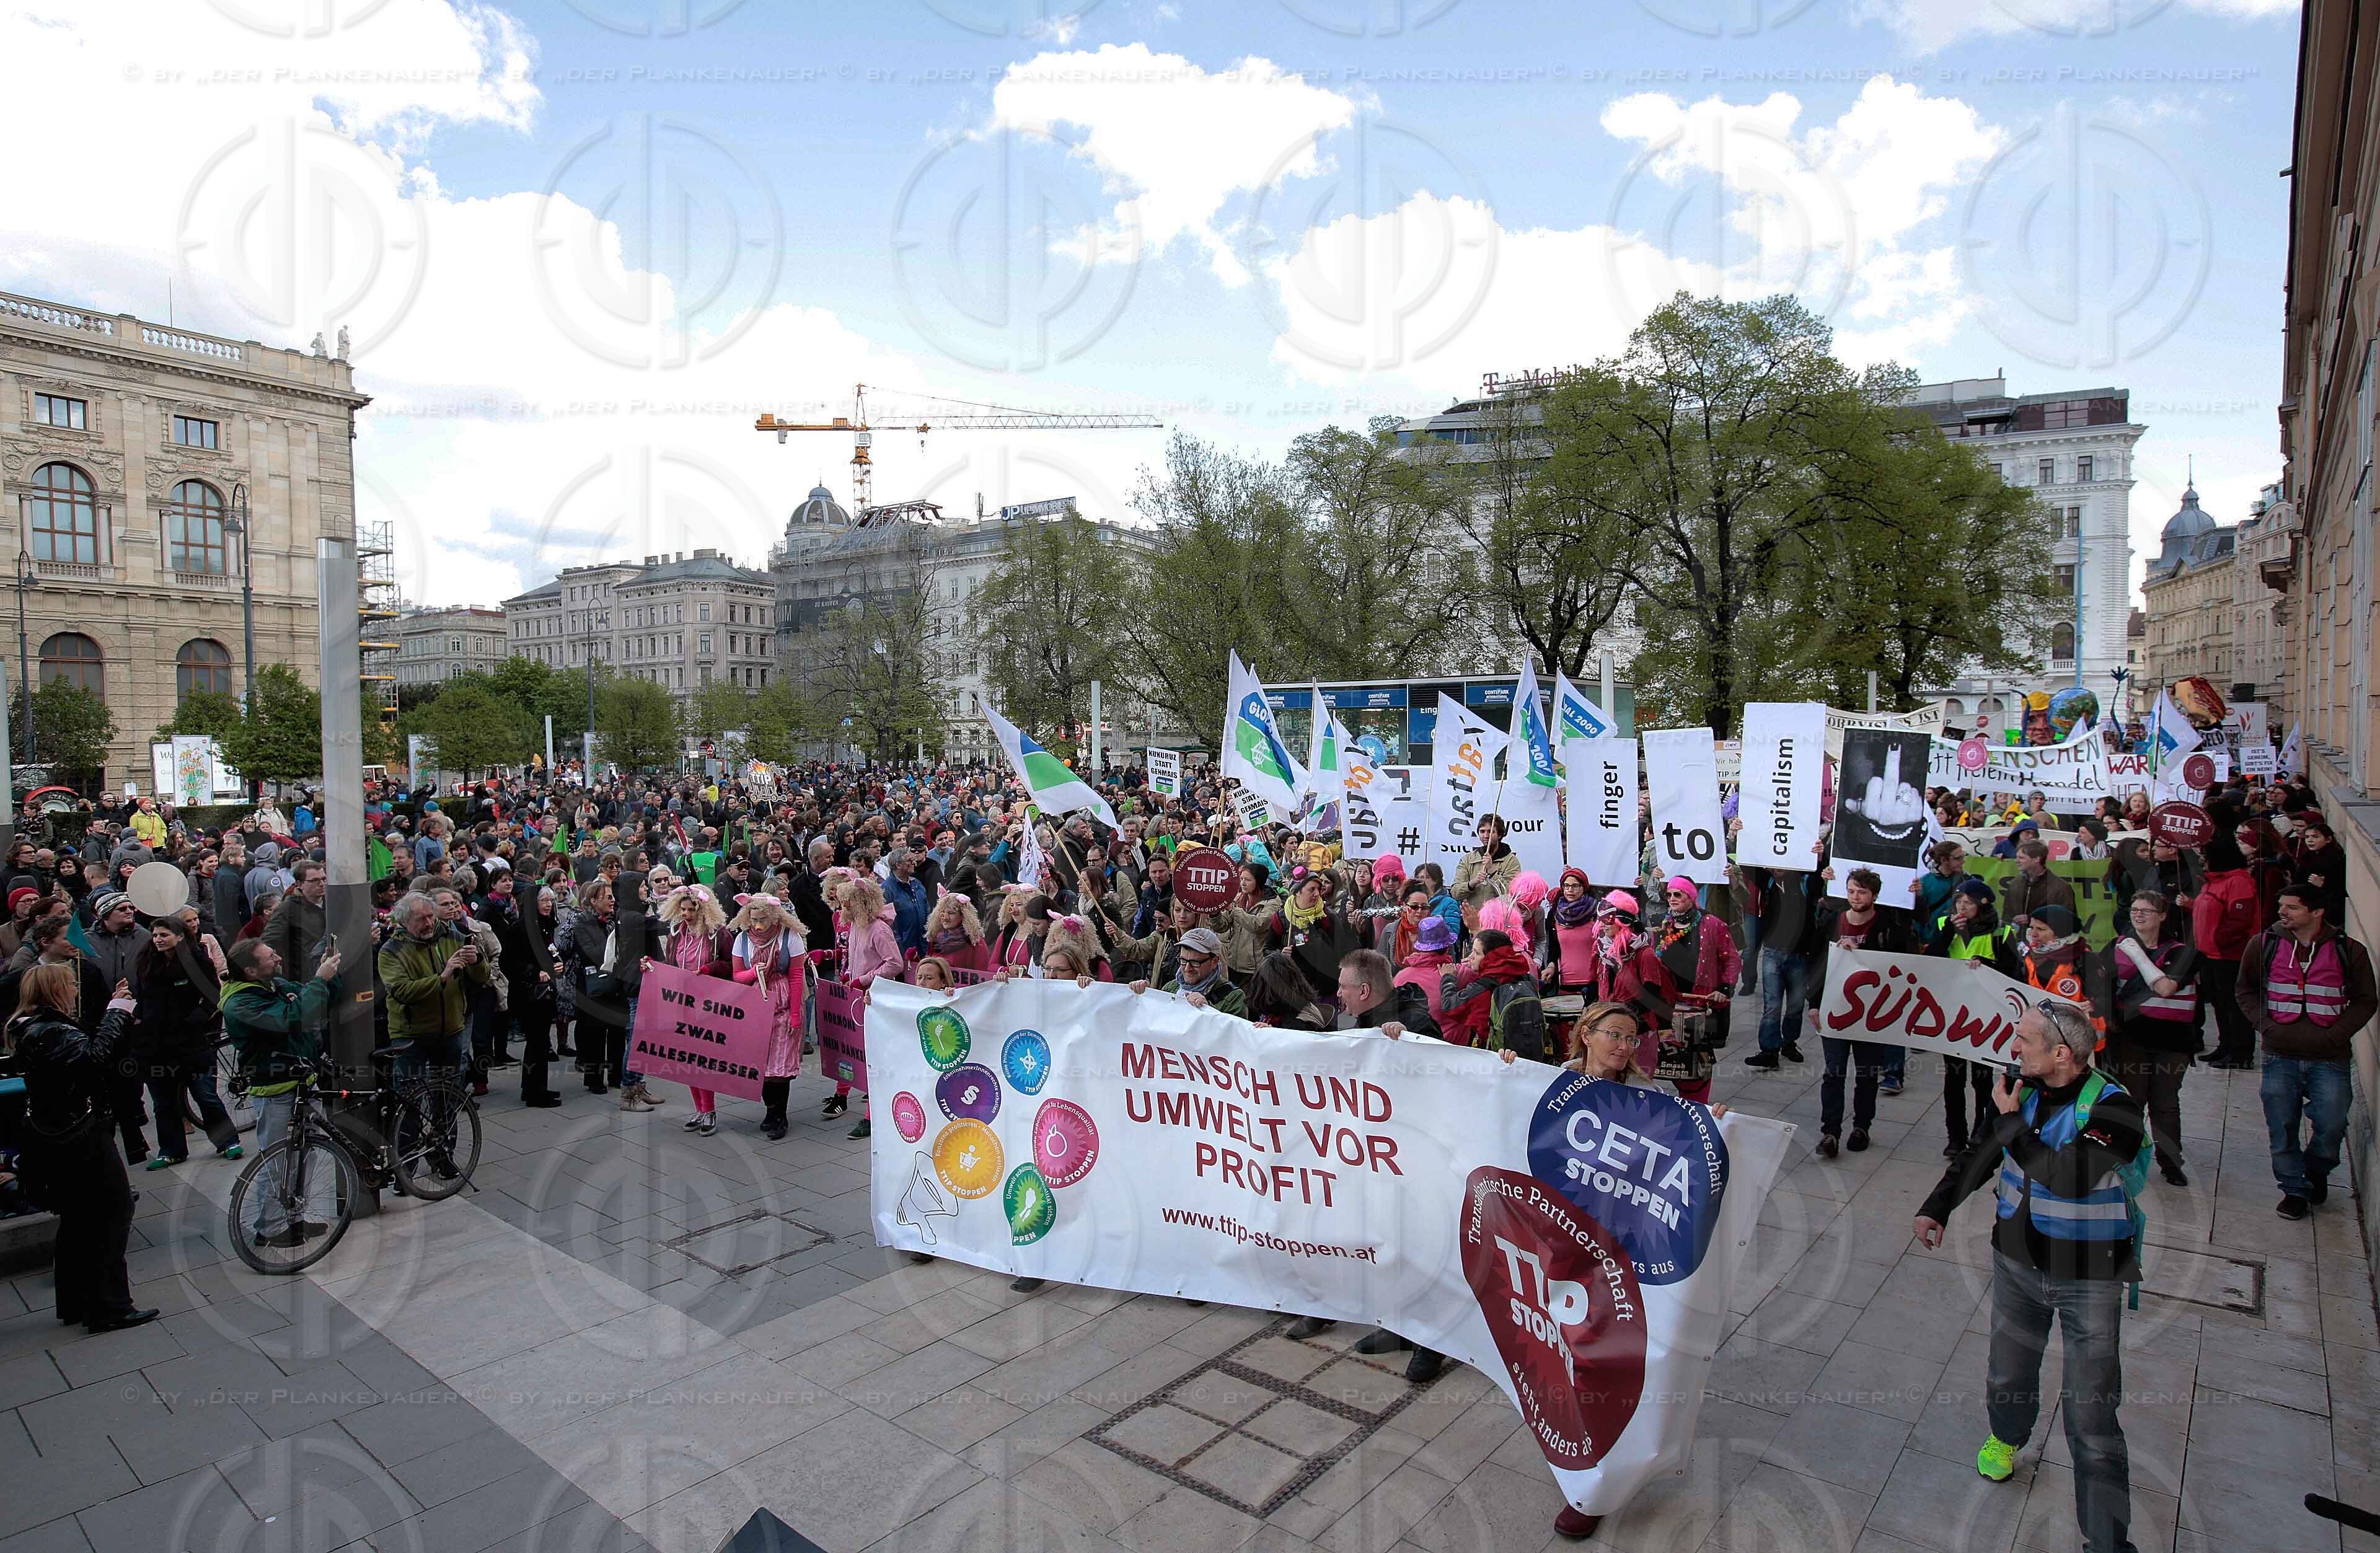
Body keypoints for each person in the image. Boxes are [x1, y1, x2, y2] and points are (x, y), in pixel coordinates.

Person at [1914, 999, 2147, 1553]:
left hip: (2088, 1278)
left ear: (2062, 1053)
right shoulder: (2020, 1094)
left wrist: (2013, 1123)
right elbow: (1980, 1155)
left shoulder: (2116, 1110)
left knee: (2092, 1420)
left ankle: (2108, 1542)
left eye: (2023, 1040)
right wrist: (1937, 1207)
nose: (2012, 1047)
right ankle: (2007, 1439)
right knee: (2007, 1376)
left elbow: (2068, 1178)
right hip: (2017, 1265)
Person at [7, 964, 155, 1331]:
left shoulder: (34, 1027)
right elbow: (94, 1059)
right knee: (111, 1212)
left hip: (57, 1132)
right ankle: (110, 1306)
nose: (75, 989)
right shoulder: (50, 1031)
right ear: (56, 991)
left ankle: (76, 1302)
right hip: (79, 1135)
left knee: (77, 1218)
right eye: (70, 985)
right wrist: (116, 1014)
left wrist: (111, 1011)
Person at [2236, 884, 2376, 1219]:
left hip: (2330, 1058)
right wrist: (2266, 1027)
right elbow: (2245, 990)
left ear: (2316, 912)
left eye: (2293, 907)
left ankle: (2317, 1170)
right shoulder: (2264, 944)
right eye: (2282, 906)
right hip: (2279, 1055)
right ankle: (2294, 1190)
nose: (2282, 912)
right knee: (2282, 1125)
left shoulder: (2349, 950)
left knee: (2332, 1123)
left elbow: (2366, 1000)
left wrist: (2338, 1035)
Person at [221, 937, 344, 1250]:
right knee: (277, 1159)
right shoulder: (241, 1004)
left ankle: (294, 1217)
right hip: (275, 1090)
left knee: (307, 1153)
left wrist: (329, 976)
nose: (277, 958)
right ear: (250, 970)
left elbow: (318, 1001)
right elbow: (295, 1018)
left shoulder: (272, 984)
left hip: (302, 1080)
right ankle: (270, 1226)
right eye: (269, 956)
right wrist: (319, 980)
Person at [1807, 868, 1911, 1156]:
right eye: (1851, 891)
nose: (1855, 897)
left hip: (1871, 1014)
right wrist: (1813, 1004)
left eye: (1862, 892)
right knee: (1834, 1073)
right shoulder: (1831, 922)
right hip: (1836, 1009)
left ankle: (1862, 1126)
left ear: (1874, 896)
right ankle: (1830, 1132)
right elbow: (1815, 965)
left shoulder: (1888, 926)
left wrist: (1861, 955)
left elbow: (1899, 966)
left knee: (1867, 1074)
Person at [2099, 892, 2198, 1186]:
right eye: (2134, 909)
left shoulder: (2183, 952)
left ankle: (2170, 1163)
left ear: (2163, 916)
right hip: (2129, 1040)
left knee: (2165, 1104)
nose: (2138, 915)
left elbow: (2167, 989)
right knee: (2131, 1101)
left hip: (2173, 1042)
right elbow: (2099, 983)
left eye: (2147, 911)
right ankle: (2121, 1157)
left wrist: (2137, 954)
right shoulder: (2115, 947)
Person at [130, 915, 242, 1169]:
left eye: (164, 935)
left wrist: (196, 1020)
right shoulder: (147, 960)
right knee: (163, 1102)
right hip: (155, 1044)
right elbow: (142, 995)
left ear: (180, 937)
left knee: (205, 1095)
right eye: (156, 935)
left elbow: (213, 994)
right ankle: (171, 1150)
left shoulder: (198, 959)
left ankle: (227, 1142)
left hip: (191, 1042)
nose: (158, 940)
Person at [1931, 879, 2024, 1158]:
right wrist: (1948, 932)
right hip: (1953, 1015)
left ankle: (1980, 1134)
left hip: (1985, 1018)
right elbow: (1932, 959)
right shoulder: (1944, 925)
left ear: (1982, 905)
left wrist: (1987, 966)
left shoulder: (2002, 931)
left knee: (1982, 1081)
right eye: (1959, 901)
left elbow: (2015, 973)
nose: (1961, 907)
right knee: (1953, 1080)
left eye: (1968, 902)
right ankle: (1955, 1138)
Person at [1634, 876, 1737, 1105]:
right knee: (1663, 1062)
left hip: (1699, 1006)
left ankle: (1696, 1110)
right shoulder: (1660, 924)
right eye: (1669, 894)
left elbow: (1732, 960)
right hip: (1667, 1006)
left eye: (1678, 894)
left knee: (1695, 1070)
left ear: (1691, 897)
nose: (1672, 899)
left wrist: (1724, 988)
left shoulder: (1713, 924)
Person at [378, 891, 487, 1093]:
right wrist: (442, 978)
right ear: (404, 922)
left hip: (451, 1031)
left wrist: (477, 962)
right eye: (421, 919)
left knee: (448, 1099)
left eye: (431, 916)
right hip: (411, 1036)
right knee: (410, 1098)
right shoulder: (391, 950)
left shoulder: (454, 936)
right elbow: (401, 991)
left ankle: (444, 1124)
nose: (429, 923)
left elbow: (482, 977)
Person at [653, 884, 735, 1136]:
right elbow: (670, 965)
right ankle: (699, 1109)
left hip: (710, 1004)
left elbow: (732, 965)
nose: (686, 915)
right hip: (682, 1003)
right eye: (683, 909)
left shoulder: (718, 934)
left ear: (704, 909)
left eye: (692, 910)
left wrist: (709, 969)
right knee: (688, 1059)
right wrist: (652, 968)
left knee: (704, 1059)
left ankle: (709, 1110)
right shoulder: (677, 932)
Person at [729, 892, 810, 1142]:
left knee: (781, 1066)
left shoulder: (790, 937)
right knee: (761, 1064)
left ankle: (781, 1115)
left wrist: (796, 1015)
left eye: (763, 919)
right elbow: (737, 975)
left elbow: (797, 976)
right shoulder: (742, 940)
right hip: (756, 1005)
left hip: (784, 1003)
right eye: (753, 919)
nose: (758, 925)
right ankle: (770, 1109)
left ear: (775, 917)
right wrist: (753, 972)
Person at [2190, 835, 2264, 1070]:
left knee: (2234, 1006)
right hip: (2210, 955)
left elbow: (2239, 921)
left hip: (2230, 956)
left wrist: (2218, 941)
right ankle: (2225, 1046)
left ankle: (2241, 1052)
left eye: (2206, 857)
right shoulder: (2213, 881)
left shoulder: (2239, 882)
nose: (2203, 861)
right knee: (2220, 1005)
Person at [1741, 864, 1818, 1070]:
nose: (1777, 869)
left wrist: (1820, 857)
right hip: (1772, 954)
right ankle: (1768, 1051)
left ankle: (1789, 1043)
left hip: (1800, 955)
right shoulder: (1768, 881)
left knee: (1795, 1006)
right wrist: (1738, 834)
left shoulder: (1805, 882)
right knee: (1772, 1006)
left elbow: (1820, 876)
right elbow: (1747, 864)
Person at [1437, 928, 1543, 1055]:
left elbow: (1450, 1006)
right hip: (1531, 1052)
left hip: (1497, 1055)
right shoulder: (1528, 978)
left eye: (1476, 953)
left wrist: (1448, 978)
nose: (1471, 957)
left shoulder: (1482, 987)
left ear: (1491, 957)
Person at [1128, 925, 1246, 1017]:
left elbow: (1235, 1040)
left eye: (1196, 962)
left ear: (1214, 961)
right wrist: (1146, 996)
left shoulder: (1233, 998)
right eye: (1183, 960)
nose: (1188, 968)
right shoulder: (1171, 987)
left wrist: (1209, 1011)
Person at [1451, 813, 1520, 909]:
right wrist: (1472, 883)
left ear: (1500, 835)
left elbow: (1511, 893)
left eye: (1491, 832)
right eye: (1482, 832)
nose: (1486, 836)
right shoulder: (1468, 859)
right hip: (1473, 919)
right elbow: (1455, 893)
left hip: (1499, 919)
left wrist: (1492, 872)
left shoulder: (1511, 861)